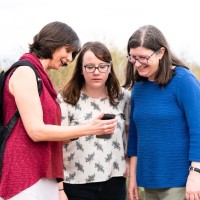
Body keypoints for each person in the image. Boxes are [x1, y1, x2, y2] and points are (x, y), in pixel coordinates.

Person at [0, 22, 117, 200]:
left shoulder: (41, 77)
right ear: (53, 42)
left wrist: (89, 126)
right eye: (68, 51)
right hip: (23, 174)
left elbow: (49, 131)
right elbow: (36, 131)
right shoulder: (25, 71)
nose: (69, 59)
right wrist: (89, 128)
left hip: (42, 173)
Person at [124, 24, 200, 200]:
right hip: (148, 182)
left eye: (143, 57)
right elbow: (135, 137)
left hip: (181, 182)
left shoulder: (184, 81)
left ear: (161, 53)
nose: (137, 64)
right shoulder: (139, 87)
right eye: (133, 57)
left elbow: (198, 130)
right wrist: (133, 179)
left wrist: (196, 174)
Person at [58, 41, 130, 200]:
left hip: (115, 180)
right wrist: (59, 188)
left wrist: (130, 163)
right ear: (81, 70)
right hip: (75, 182)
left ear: (110, 68)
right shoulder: (65, 99)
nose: (96, 72)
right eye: (90, 67)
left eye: (102, 66)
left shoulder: (123, 96)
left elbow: (129, 131)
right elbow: (56, 142)